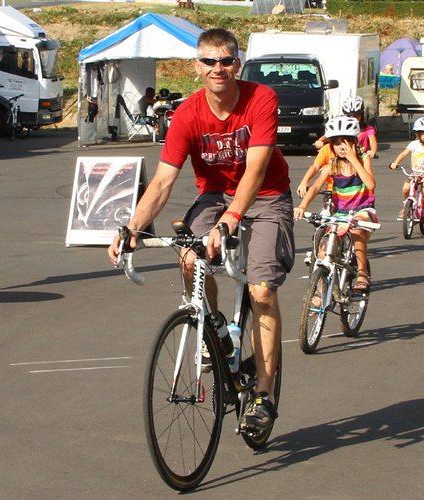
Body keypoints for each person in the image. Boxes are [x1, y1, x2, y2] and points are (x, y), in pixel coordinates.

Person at [108, 29, 294, 434]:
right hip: (214, 195)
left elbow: (257, 168)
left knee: (261, 290)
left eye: (226, 60)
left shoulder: (260, 98)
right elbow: (160, 183)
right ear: (197, 66)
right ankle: (216, 331)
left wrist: (230, 221)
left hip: (266, 195)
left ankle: (264, 395)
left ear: (237, 63)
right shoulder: (188, 114)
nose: (218, 68)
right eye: (209, 61)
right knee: (189, 257)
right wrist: (132, 228)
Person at [294, 116, 377, 291]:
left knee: (356, 231)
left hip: (362, 209)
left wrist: (354, 159)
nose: (341, 147)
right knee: (324, 250)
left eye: (345, 142)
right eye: (337, 142)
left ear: (354, 142)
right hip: (340, 212)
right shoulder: (331, 165)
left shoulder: (362, 159)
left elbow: (371, 184)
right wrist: (303, 206)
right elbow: (316, 187)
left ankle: (362, 272)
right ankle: (319, 294)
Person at [302, 96, 377, 196]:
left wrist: (372, 151)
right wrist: (304, 182)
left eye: (356, 116)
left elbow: (373, 141)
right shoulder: (328, 152)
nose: (342, 146)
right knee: (327, 209)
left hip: (356, 195)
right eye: (337, 143)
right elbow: (315, 168)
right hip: (333, 192)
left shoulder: (363, 155)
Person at [389, 117, 424, 224]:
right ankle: (405, 207)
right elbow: (404, 153)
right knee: (406, 188)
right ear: (418, 135)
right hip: (415, 172)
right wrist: (396, 162)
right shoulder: (414, 144)